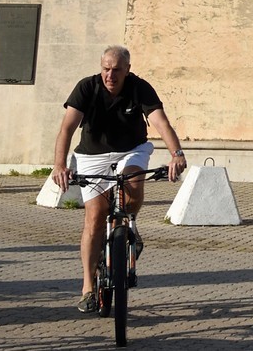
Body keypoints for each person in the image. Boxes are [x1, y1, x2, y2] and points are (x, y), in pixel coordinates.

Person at [53, 45, 187, 314]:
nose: (110, 75)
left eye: (116, 69)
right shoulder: (86, 88)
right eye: (105, 68)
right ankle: (88, 287)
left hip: (131, 150)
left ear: (127, 69)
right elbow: (67, 128)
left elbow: (161, 123)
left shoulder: (140, 88)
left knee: (132, 188)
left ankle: (128, 229)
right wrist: (59, 165)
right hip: (92, 154)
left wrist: (176, 154)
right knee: (94, 217)